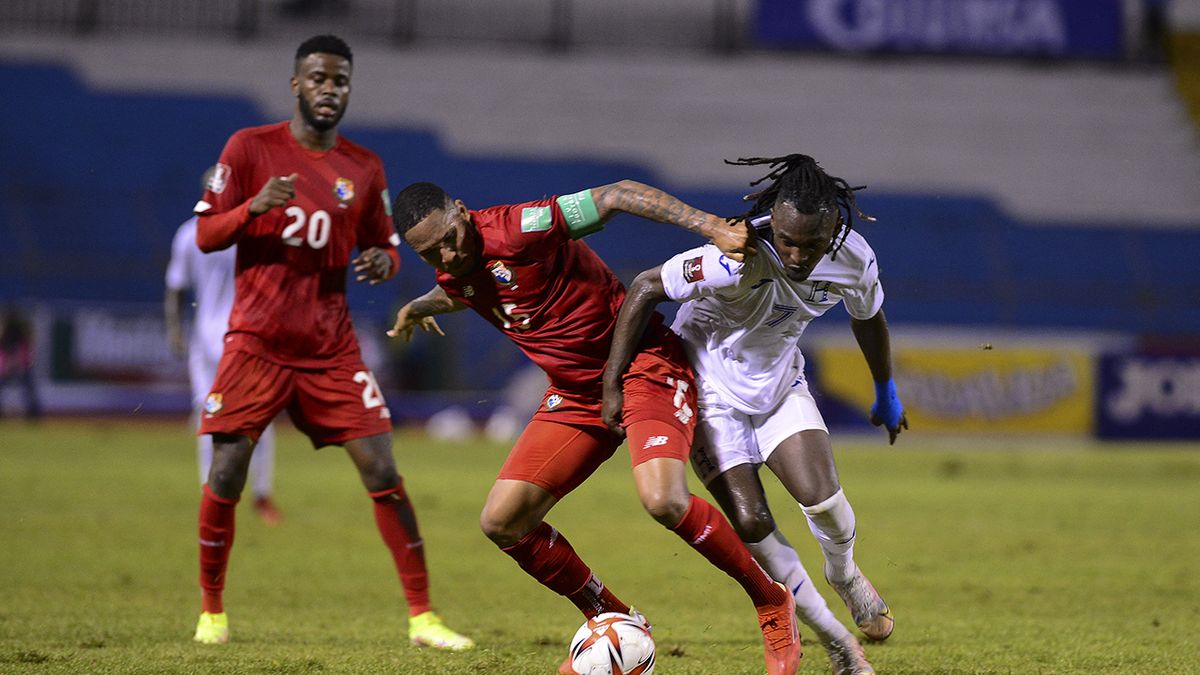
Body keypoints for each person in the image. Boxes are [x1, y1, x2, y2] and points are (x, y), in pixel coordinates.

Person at [389, 180, 802, 675]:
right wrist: (419, 306)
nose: (448, 254)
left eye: (450, 237)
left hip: (642, 367)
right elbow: (462, 288)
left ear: (462, 210)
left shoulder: (520, 228)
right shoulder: (456, 267)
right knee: (502, 521)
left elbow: (619, 195)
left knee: (663, 501)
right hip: (576, 395)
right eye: (430, 252)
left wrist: (711, 227)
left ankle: (771, 600)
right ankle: (610, 617)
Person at [189, 34, 472, 652]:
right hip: (257, 342)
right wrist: (253, 209)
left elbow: (388, 250)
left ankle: (423, 617)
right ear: (296, 84)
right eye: (318, 78)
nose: (329, 89)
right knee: (229, 472)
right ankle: (212, 611)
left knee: (382, 469)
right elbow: (208, 235)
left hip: (331, 348)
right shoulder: (249, 148)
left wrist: (380, 262)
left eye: (340, 80)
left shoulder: (364, 167)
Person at [603, 154, 907, 675]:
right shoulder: (734, 253)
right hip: (706, 388)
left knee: (825, 501)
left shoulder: (854, 259)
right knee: (750, 518)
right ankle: (836, 643)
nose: (794, 253)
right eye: (786, 239)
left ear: (833, 227)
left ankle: (845, 574)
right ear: (773, 221)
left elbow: (869, 319)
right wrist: (613, 379)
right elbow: (646, 287)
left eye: (809, 244)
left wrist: (885, 387)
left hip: (779, 383)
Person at [166, 168, 282, 525]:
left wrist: (174, 329)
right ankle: (259, 496)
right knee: (257, 416)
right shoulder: (249, 229)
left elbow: (175, 287)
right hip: (240, 338)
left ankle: (215, 495)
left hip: (213, 339)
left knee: (209, 416)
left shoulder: (189, 232)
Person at [0, 304, 42, 420]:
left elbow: (20, 352)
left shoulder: (12, 335)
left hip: (19, 366)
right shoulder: (12, 335)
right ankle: (34, 413)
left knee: (29, 388)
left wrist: (14, 364)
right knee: (29, 389)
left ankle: (34, 413)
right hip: (15, 366)